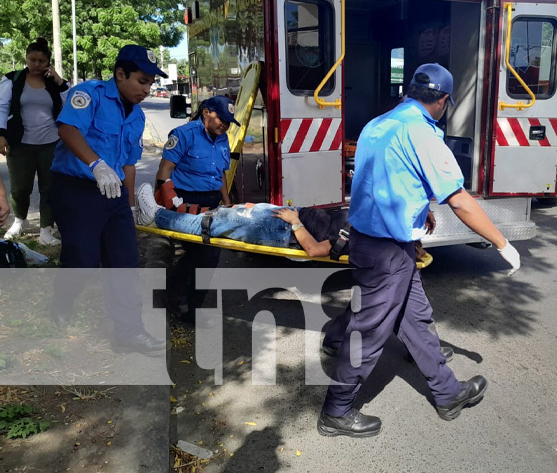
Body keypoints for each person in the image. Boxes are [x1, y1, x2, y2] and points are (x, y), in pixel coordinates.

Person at [318, 63, 521, 438]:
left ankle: (448, 394)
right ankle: (336, 411)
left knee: (415, 319)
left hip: (372, 240)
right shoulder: (423, 134)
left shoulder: (378, 124)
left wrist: (420, 205)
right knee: (371, 329)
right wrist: (501, 242)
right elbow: (459, 200)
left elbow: (385, 176)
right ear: (443, 100)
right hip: (387, 250)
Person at [49, 44, 168, 355]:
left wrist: (127, 207)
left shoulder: (137, 117)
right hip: (76, 187)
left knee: (124, 260)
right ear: (120, 74)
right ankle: (62, 301)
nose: (147, 89)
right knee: (83, 260)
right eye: (142, 81)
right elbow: (68, 129)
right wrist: (96, 164)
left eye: (151, 83)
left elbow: (129, 164)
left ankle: (130, 331)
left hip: (114, 194)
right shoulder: (92, 94)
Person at [154, 95, 238, 323]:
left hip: (211, 204)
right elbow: (164, 171)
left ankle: (192, 307)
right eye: (222, 119)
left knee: (211, 256)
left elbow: (220, 173)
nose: (225, 125)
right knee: (200, 254)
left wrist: (226, 202)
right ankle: (176, 298)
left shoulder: (222, 139)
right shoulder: (184, 135)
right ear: (206, 112)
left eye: (229, 122)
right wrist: (162, 206)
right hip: (185, 202)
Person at [136, 182, 348, 257]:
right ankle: (160, 213)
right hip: (287, 216)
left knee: (212, 224)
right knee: (220, 215)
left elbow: (315, 250)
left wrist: (295, 222)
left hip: (283, 228)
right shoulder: (375, 223)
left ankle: (155, 215)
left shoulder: (361, 239)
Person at [0, 38, 69, 245]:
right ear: (27, 58)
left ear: (48, 61)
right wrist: (1, 134)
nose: (37, 65)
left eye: (41, 61)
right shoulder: (13, 79)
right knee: (20, 188)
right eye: (33, 60)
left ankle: (46, 230)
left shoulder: (54, 82)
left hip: (51, 143)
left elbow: (72, 103)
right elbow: (2, 106)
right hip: (19, 144)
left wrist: (59, 80)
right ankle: (20, 220)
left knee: (50, 187)